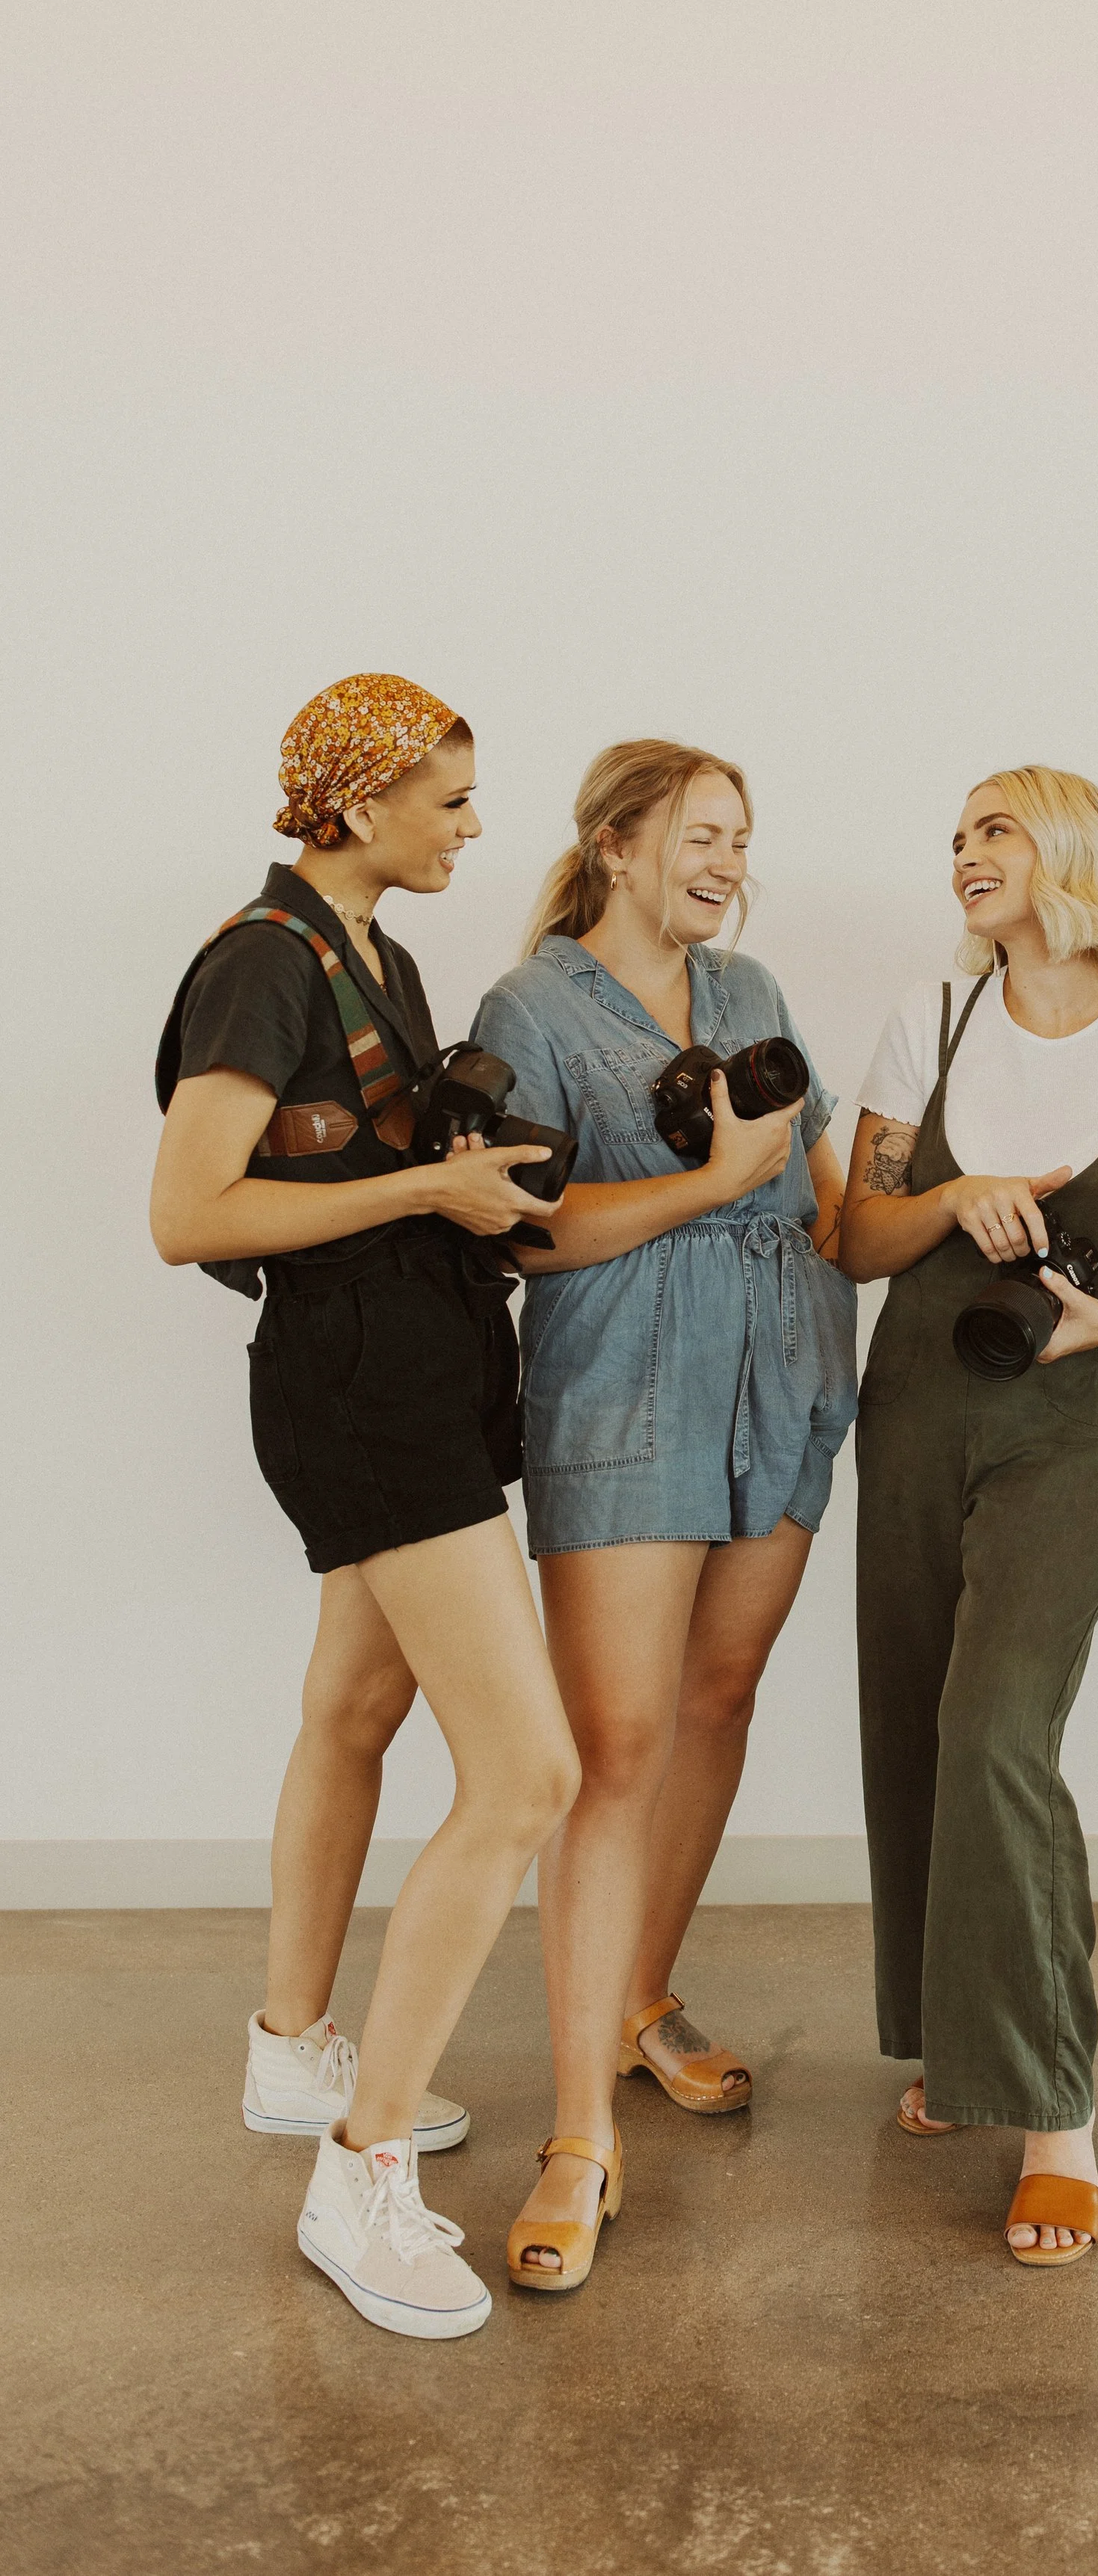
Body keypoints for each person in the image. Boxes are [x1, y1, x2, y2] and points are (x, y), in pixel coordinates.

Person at [149, 674, 581, 2339]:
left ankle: (288, 2051)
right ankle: (366, 2169)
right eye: (450, 800)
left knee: (354, 1703)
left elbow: (342, 1176)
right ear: (357, 803)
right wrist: (430, 1185)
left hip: (414, 1361)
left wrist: (466, 1207)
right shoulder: (263, 962)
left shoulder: (380, 958)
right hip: (362, 1390)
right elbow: (189, 1211)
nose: (474, 828)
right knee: (525, 1774)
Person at [841, 765, 1098, 2264]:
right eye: (951, 836)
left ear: (1065, 847)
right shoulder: (930, 1020)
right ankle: (962, 2051)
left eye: (991, 830)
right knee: (911, 1715)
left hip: (1080, 1411)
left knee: (996, 1724)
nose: (961, 855)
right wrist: (955, 1202)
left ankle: (1052, 2107)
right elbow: (852, 1235)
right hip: (917, 1403)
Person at [469, 739, 857, 2293]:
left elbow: (826, 1201)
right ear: (618, 846)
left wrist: (958, 1201)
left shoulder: (752, 991)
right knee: (611, 1748)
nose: (726, 862)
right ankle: (577, 2139)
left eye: (741, 840)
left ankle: (637, 1998)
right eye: (701, 836)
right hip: (623, 1389)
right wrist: (711, 1180)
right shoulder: (531, 1010)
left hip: (782, 1374)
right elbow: (528, 1237)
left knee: (716, 1697)